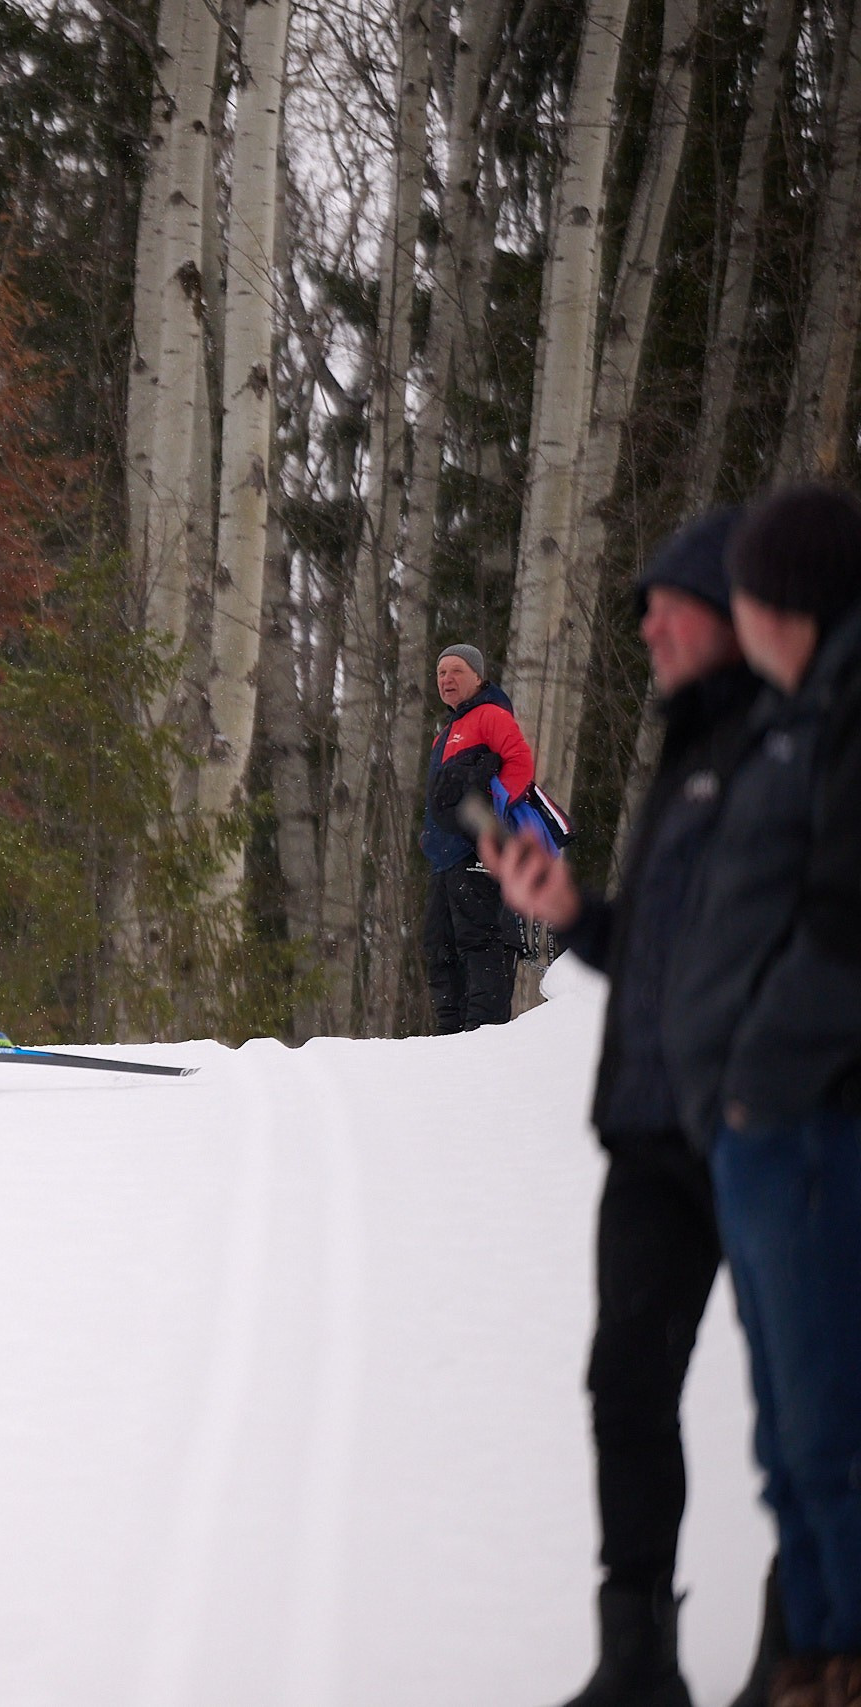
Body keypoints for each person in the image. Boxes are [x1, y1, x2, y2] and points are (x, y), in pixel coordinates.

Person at [489, 512, 781, 1707]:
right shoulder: (687, 752)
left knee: (802, 1408)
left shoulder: (793, 746)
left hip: (761, 1132)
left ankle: (808, 1652)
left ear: (733, 614)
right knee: (626, 1383)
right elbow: (667, 956)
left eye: (670, 603)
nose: (648, 624)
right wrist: (573, 912)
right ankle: (637, 1658)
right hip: (652, 1136)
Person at [660, 484, 861, 1707]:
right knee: (790, 1438)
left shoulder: (839, 716)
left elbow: (841, 928)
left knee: (825, 1432)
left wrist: (752, 1078)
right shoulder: (804, 713)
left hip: (805, 1126)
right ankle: (812, 1656)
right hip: (765, 1129)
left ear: (787, 602)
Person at [421, 640, 535, 1032]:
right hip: (443, 859)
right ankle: (450, 1038)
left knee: (480, 941)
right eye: (441, 673)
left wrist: (490, 819)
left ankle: (483, 1037)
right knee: (439, 947)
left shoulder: (490, 715)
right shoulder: (444, 734)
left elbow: (520, 764)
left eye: (456, 671)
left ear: (478, 676)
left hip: (476, 854)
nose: (447, 679)